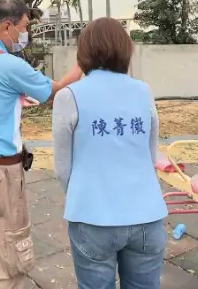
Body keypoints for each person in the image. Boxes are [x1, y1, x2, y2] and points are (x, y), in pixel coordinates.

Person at [0, 0, 83, 289]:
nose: (26, 34)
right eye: (24, 27)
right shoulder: (9, 65)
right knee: (10, 258)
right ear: (7, 26)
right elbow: (57, 90)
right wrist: (82, 62)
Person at [51, 17, 168, 289]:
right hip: (146, 216)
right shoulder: (144, 91)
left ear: (84, 52)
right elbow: (150, 156)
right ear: (126, 49)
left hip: (92, 218)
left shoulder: (69, 96)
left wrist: (83, 195)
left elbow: (62, 168)